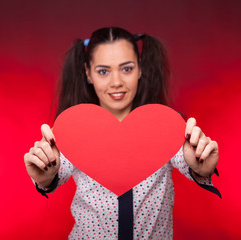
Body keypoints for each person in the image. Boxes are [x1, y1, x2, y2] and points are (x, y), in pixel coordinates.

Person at [24, 27, 220, 239]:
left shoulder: (162, 125)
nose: (116, 82)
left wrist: (200, 167)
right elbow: (55, 172)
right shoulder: (76, 129)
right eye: (103, 71)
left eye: (126, 69)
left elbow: (187, 159)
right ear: (88, 74)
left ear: (140, 69)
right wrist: (45, 177)